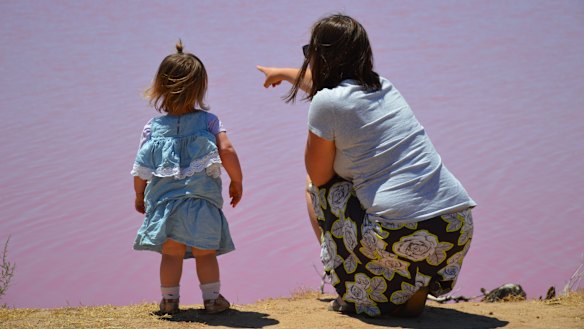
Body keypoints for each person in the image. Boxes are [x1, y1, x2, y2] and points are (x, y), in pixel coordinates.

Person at [258, 14, 476, 317]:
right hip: (453, 227)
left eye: (310, 52)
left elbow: (320, 175)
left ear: (322, 56)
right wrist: (281, 73)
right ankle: (411, 288)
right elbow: (332, 91)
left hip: (399, 232)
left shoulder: (327, 103)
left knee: (316, 186)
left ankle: (351, 288)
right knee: (376, 198)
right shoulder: (385, 87)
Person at [131, 40, 243, 315]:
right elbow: (226, 149)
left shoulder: (153, 128)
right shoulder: (209, 121)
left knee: (171, 254)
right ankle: (212, 299)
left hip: (167, 205)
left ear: (160, 87)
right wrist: (237, 180)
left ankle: (170, 301)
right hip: (201, 202)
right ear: (200, 87)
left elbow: (140, 166)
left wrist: (138, 194)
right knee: (205, 253)